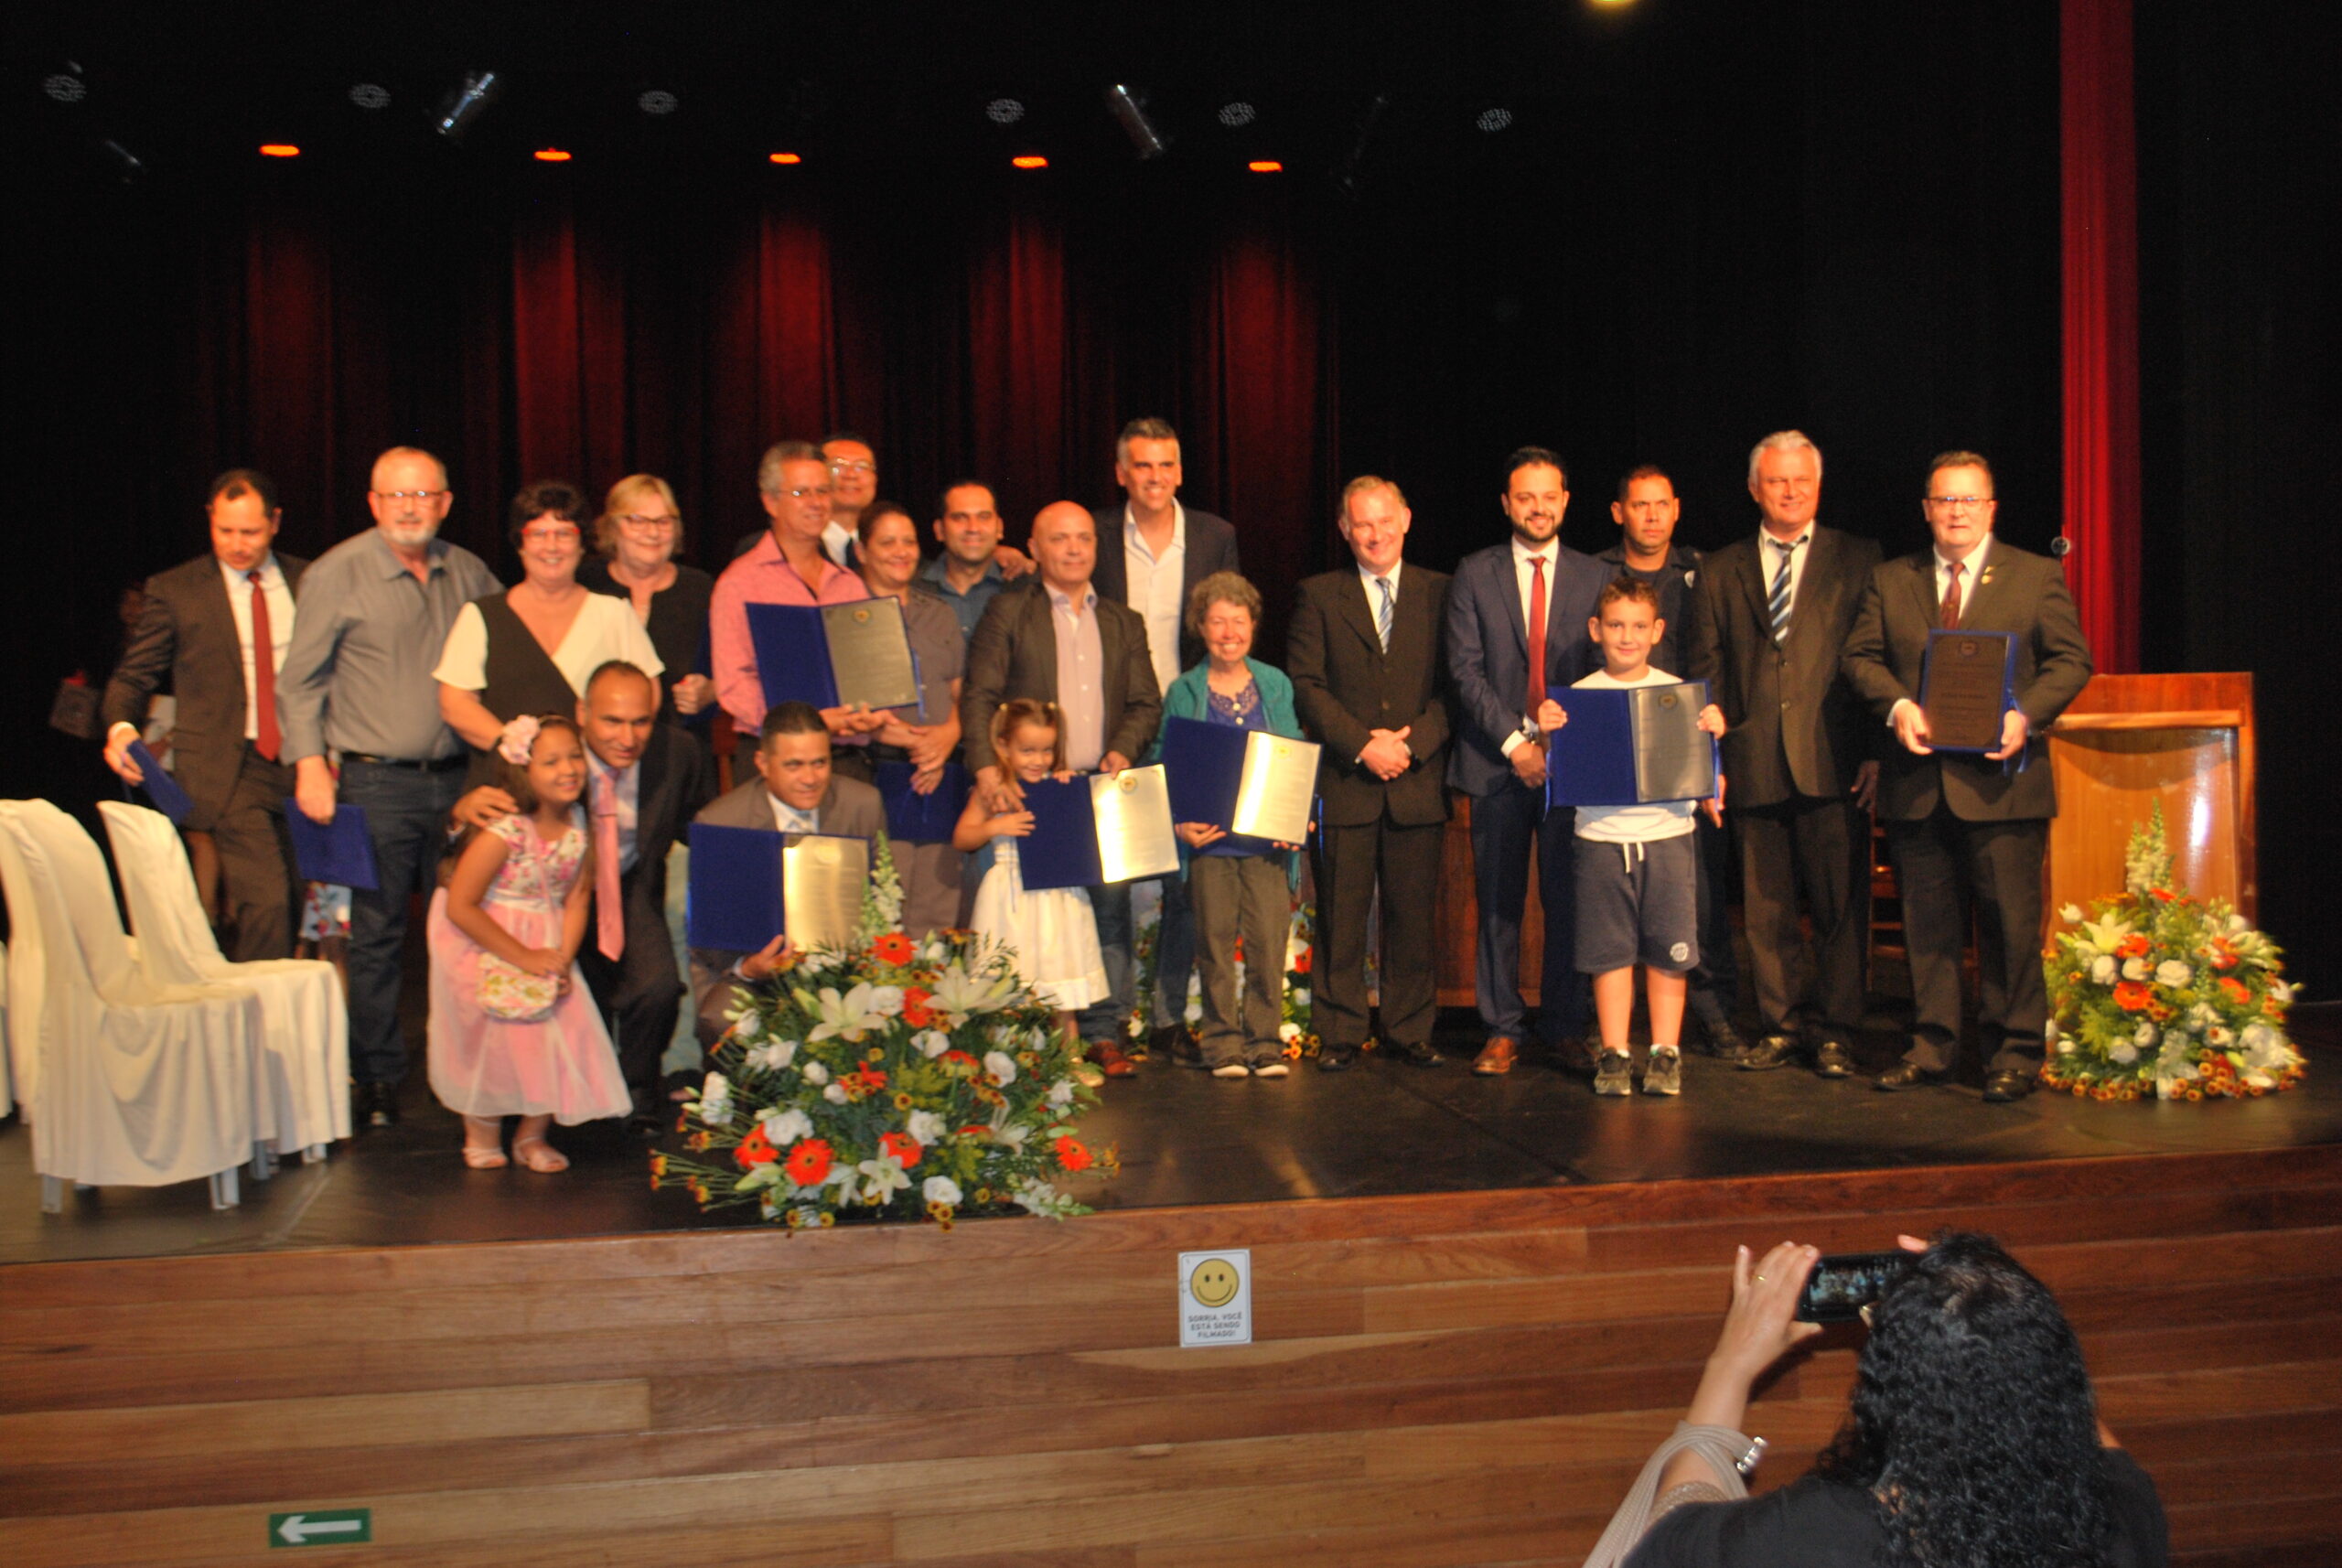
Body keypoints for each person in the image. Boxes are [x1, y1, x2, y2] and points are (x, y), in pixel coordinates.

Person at [1598, 1233, 2167, 1568]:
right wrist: (1995, 1306)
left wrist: (1731, 1366)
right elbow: (2064, 1405)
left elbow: (1664, 1539)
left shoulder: (1820, 1532)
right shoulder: (2122, 1511)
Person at [1842, 451, 2093, 1102]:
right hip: (1918, 784)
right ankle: (1934, 1048)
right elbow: (1860, 657)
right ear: (1926, 508)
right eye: (1944, 500)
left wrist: (2027, 718)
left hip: (2004, 782)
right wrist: (1898, 706)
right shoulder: (1890, 579)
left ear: (1991, 509)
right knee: (1928, 927)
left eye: (1969, 501)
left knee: (2010, 926)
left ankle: (2014, 1053)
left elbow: (2071, 661)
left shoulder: (2036, 577)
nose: (1956, 512)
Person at [279, 446, 502, 1129]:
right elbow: (299, 681)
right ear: (374, 504)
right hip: (373, 783)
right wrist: (310, 764)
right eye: (395, 496)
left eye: (423, 495)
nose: (410, 508)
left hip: (462, 781)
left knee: (469, 930)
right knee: (375, 937)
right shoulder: (336, 573)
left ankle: (467, 1071)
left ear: (445, 502)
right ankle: (377, 1076)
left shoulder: (470, 572)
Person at [1686, 432, 1881, 1080]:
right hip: (1754, 757)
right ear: (1754, 489)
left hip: (1836, 758)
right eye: (1777, 481)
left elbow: (1879, 661)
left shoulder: (1860, 559)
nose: (1790, 491)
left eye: (1801, 480)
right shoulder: (1719, 569)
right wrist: (1710, 761)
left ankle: (1837, 1033)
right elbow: (1705, 671)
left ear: (1818, 487)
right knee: (1766, 910)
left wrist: (1877, 751)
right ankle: (1781, 1025)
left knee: (1838, 908)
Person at [452, 660, 713, 1137]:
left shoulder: (679, 753)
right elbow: (483, 812)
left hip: (628, 885)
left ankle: (636, 1091)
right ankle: (521, 1102)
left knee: (656, 986)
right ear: (583, 714)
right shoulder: (545, 750)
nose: (628, 737)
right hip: (546, 894)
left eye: (641, 721)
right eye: (613, 721)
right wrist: (461, 812)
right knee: (548, 990)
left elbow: (703, 825)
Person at [959, 501, 1163, 1079]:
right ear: (1036, 546)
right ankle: (1023, 1039)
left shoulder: (1125, 621)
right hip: (1033, 793)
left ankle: (1102, 1034)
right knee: (1034, 919)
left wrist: (1123, 748)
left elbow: (1147, 701)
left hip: (1096, 788)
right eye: (1059, 539)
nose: (1074, 549)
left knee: (1108, 913)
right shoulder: (1007, 612)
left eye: (1083, 539)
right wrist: (986, 769)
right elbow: (979, 695)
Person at [1446, 446, 1608, 1076]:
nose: (1538, 507)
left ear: (1565, 501)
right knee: (1499, 904)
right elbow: (1464, 671)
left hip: (1573, 770)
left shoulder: (1595, 576)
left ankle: (1567, 1025)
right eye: (1525, 497)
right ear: (1507, 504)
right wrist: (1518, 744)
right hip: (1496, 764)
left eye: (1549, 496)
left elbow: (1605, 675)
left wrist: (1556, 749)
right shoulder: (1473, 573)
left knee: (1570, 904)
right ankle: (1502, 1027)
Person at [101, 468, 307, 961]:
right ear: (211, 521)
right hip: (228, 766)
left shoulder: (310, 580)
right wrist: (121, 729)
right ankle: (264, 1026)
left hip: (302, 762)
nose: (237, 545)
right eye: (225, 531)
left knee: (297, 902)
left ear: (275, 522)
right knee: (267, 901)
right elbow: (133, 677)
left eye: (250, 532)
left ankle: (276, 1013)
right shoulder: (177, 590)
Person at [1285, 476, 1452, 1072]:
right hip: (1347, 781)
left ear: (1405, 519)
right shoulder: (1318, 595)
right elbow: (1306, 686)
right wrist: (1362, 745)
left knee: (1412, 918)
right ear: (1344, 529)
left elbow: (1455, 686)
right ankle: (1340, 1032)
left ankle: (1409, 1030)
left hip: (1416, 780)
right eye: (1362, 523)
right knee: (1341, 915)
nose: (1375, 533)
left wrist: (1412, 745)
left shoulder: (1441, 591)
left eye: (1385, 520)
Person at [1089, 417, 1242, 1061]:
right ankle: (1109, 1023)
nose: (1155, 477)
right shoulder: (1093, 535)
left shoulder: (1214, 535)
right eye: (1142, 466)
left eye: (1166, 465)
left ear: (1180, 471)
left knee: (1187, 882)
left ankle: (1167, 1019)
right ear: (1122, 472)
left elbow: (1231, 616)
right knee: (1115, 883)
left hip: (1190, 728)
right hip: (1118, 728)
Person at [1537, 579, 1726, 1097]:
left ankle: (1666, 1053)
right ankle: (1617, 1053)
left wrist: (1712, 735)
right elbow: (1559, 768)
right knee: (1609, 952)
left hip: (1668, 839)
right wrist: (1546, 730)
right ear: (1596, 631)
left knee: (1670, 951)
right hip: (1600, 840)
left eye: (1639, 626)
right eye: (1616, 625)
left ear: (1657, 631)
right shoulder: (1578, 698)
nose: (1627, 636)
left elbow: (1707, 770)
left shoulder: (1680, 693)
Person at [426, 713, 629, 1172]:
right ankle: (481, 1133)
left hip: (545, 939)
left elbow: (578, 898)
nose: (569, 769)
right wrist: (522, 956)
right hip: (489, 939)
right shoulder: (507, 831)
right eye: (551, 761)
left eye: (575, 756)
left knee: (551, 1038)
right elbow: (461, 905)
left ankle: (531, 1135)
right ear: (524, 771)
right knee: (492, 1041)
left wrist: (559, 959)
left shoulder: (580, 822)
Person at [1601, 467, 1742, 1058]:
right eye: (1640, 505)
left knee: (1697, 897)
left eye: (1662, 505)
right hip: (1613, 757)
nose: (1652, 516)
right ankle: (1611, 1029)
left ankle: (1711, 1014)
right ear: (1620, 513)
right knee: (1613, 899)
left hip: (1683, 759)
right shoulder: (1597, 574)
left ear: (1676, 509)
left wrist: (1711, 758)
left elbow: (1717, 664)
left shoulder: (1702, 573)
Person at [1157, 573, 1302, 1079]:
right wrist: (1178, 824)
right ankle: (1222, 1044)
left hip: (1265, 842)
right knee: (1214, 945)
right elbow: (1164, 763)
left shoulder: (1275, 684)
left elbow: (1292, 751)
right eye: (1217, 621)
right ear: (1201, 627)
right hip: (1210, 844)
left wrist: (1293, 815)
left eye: (1237, 622)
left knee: (1268, 942)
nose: (1228, 632)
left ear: (1253, 627)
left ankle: (1264, 1042)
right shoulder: (1184, 689)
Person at [687, 701, 888, 1051]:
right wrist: (749, 967)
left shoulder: (862, 804)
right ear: (763, 764)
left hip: (843, 969)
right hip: (753, 972)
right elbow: (708, 936)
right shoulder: (721, 821)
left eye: (819, 763)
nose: (810, 779)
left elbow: (884, 894)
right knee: (721, 1018)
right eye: (794, 765)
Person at [435, 481, 664, 787]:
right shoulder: (481, 615)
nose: (552, 547)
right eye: (538, 534)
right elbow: (455, 703)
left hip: (592, 784)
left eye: (565, 534)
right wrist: (520, 750)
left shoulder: (614, 613)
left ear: (582, 544)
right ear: (520, 543)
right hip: (507, 784)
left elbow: (648, 694)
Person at [954, 699, 1111, 1079]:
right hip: (1010, 897)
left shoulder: (1059, 784)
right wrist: (995, 827)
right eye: (1027, 750)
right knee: (1012, 976)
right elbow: (963, 836)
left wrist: (1069, 792)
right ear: (1003, 746)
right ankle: (1004, 1062)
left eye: (1046, 750)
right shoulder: (996, 791)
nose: (1038, 760)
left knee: (1062, 972)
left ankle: (1068, 1060)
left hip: (1058, 894)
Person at [709, 440, 878, 779]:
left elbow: (868, 675)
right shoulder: (740, 583)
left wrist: (871, 712)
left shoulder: (849, 585)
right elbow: (734, 686)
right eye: (802, 494)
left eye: (823, 491)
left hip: (846, 761)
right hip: (774, 763)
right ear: (771, 502)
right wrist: (810, 723)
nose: (817, 504)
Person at [855, 499, 967, 940]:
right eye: (887, 542)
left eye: (908, 541)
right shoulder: (846, 612)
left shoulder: (938, 611)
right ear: (862, 551)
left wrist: (945, 737)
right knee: (885, 899)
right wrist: (911, 742)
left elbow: (961, 690)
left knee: (938, 902)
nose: (901, 551)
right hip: (880, 767)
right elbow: (843, 701)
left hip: (943, 768)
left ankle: (930, 1004)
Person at [578, 473, 716, 737]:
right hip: (595, 747)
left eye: (664, 522)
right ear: (612, 527)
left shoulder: (701, 590)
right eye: (638, 521)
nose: (652, 533)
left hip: (680, 747)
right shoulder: (586, 585)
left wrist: (710, 690)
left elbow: (736, 667)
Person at [728, 431, 876, 567]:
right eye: (837, 466)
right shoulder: (760, 548)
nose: (851, 475)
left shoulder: (890, 547)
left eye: (861, 467)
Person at [918, 480, 1022, 639]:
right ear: (939, 530)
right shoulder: (911, 589)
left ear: (999, 528)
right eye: (959, 518)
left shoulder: (1026, 589)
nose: (973, 528)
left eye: (984, 517)